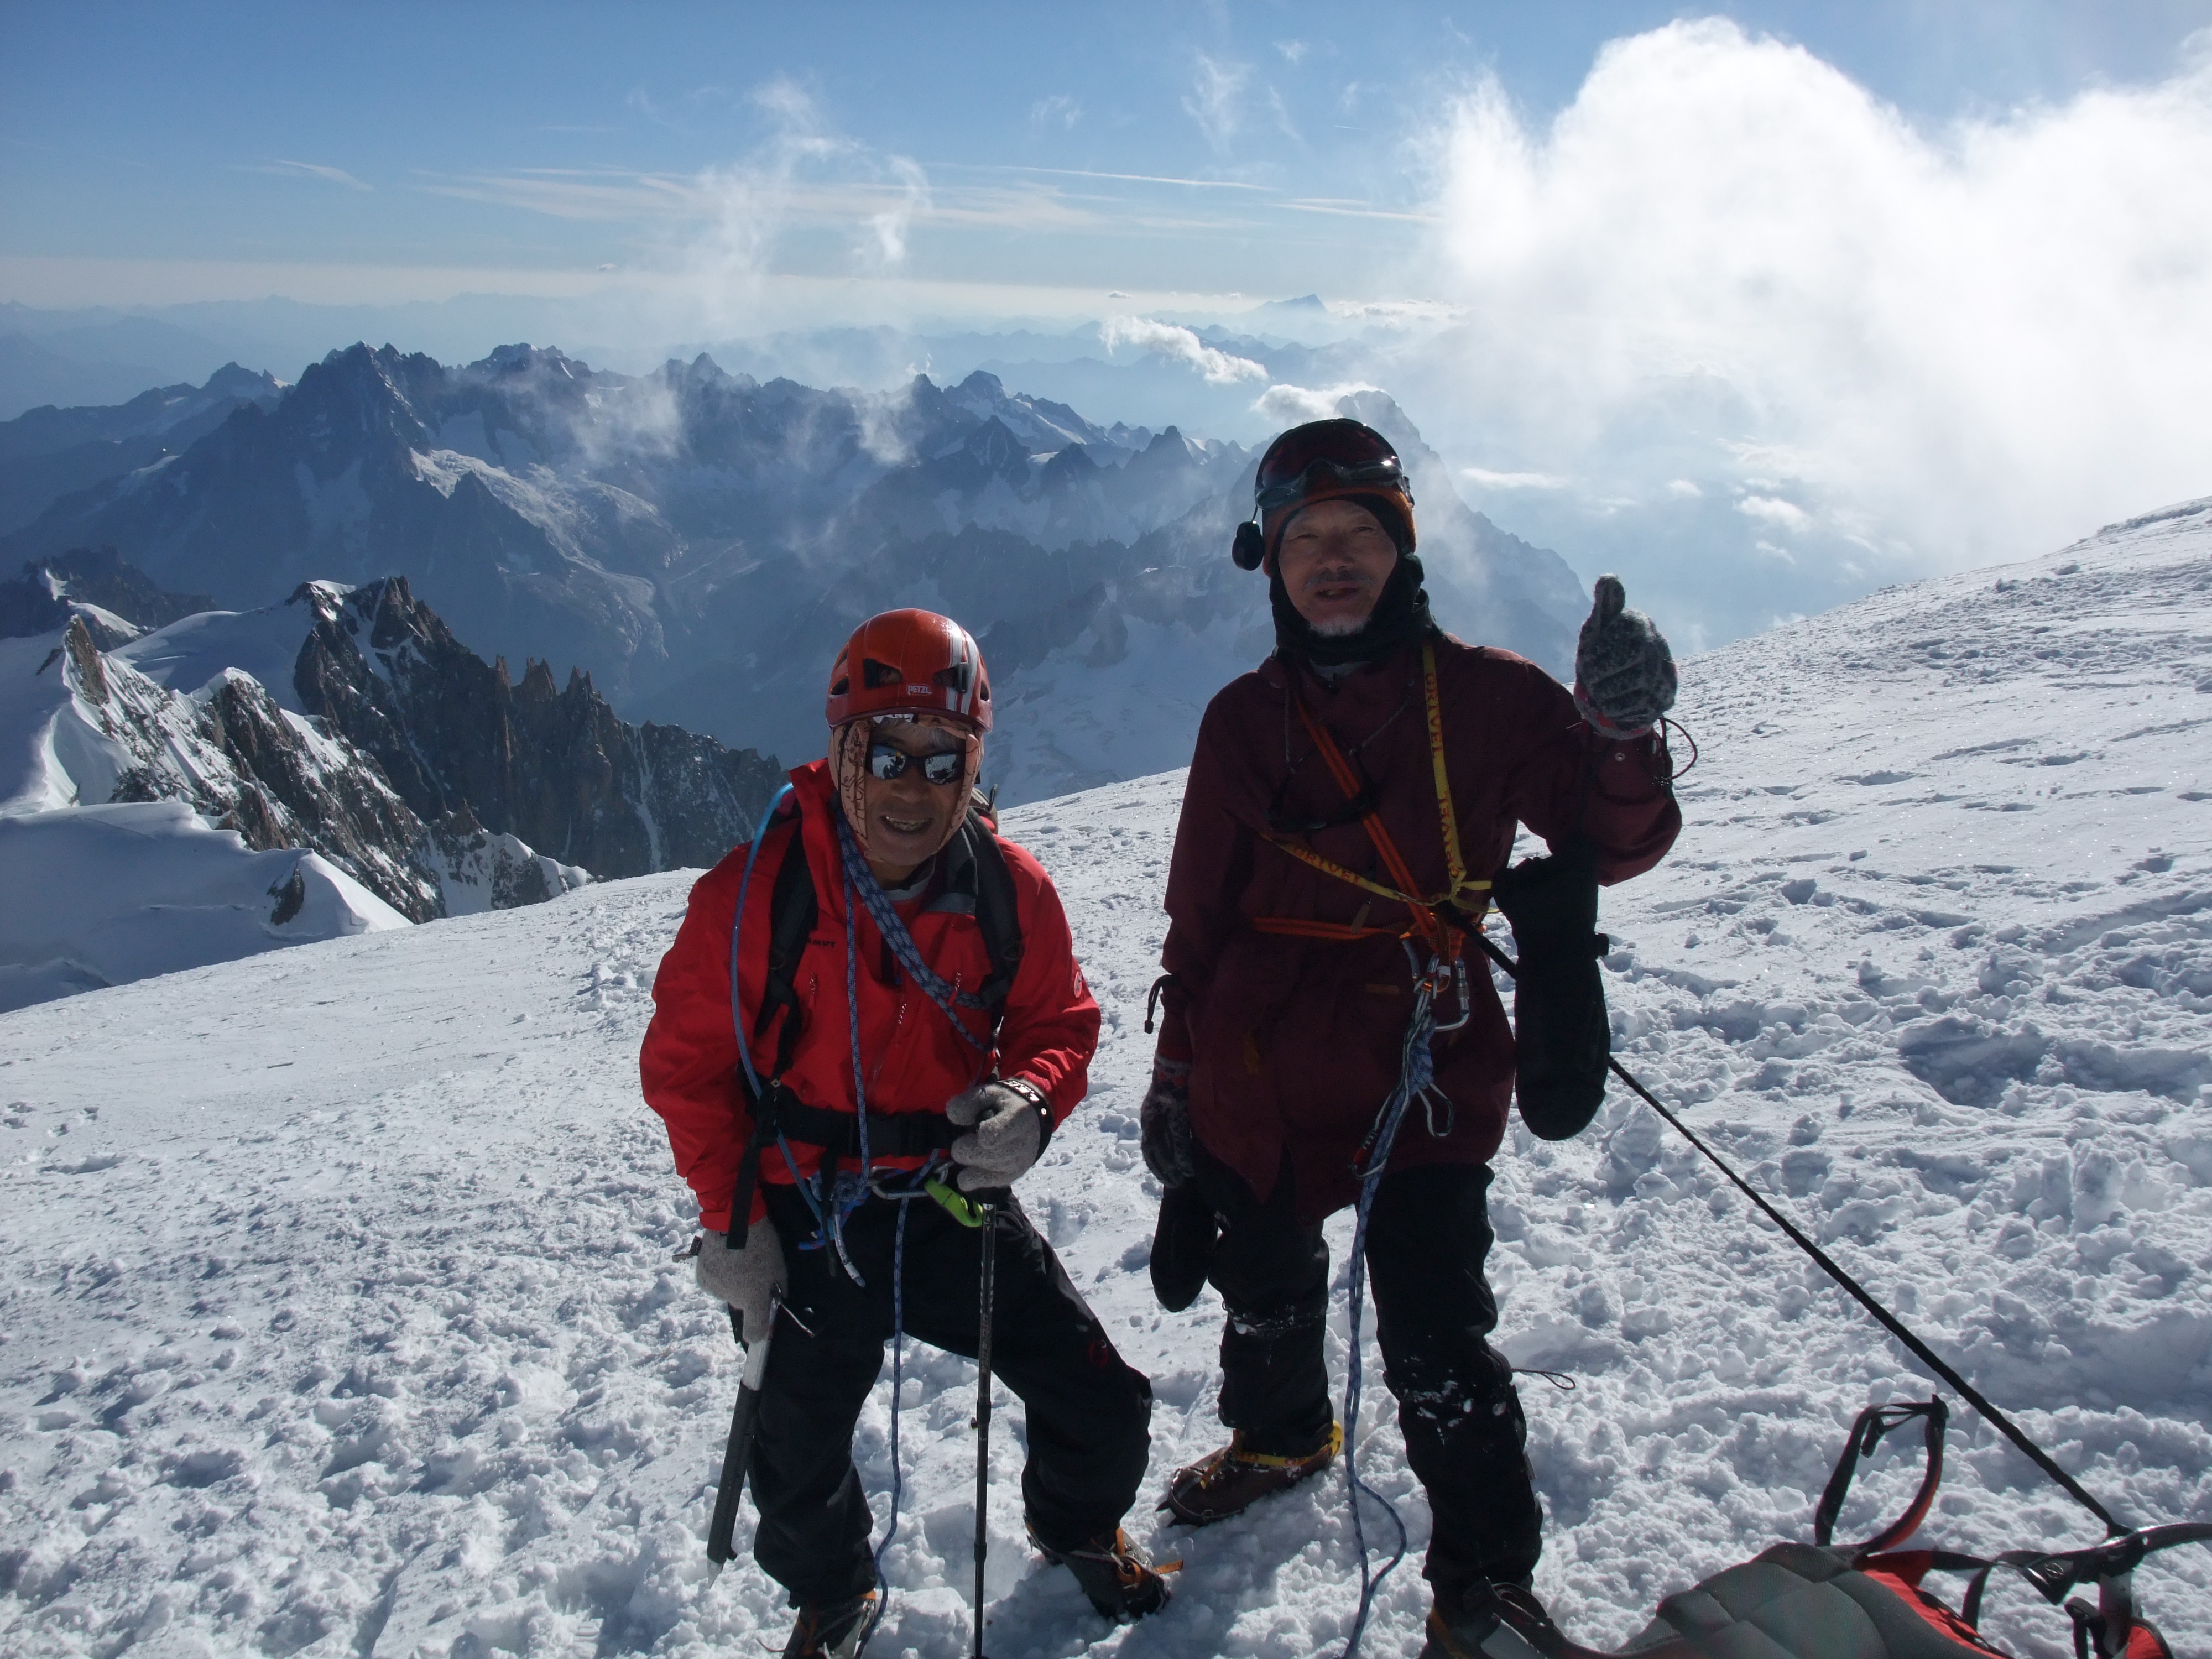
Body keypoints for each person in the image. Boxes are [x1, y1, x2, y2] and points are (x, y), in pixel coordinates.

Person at [1138, 420, 1683, 1658]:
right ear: (1271, 563)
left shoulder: (1489, 700)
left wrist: (1619, 735)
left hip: (1421, 1057)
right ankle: (1281, 1436)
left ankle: (1482, 1588)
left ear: (1402, 550)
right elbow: (1200, 914)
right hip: (1260, 1061)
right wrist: (1175, 1080)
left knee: (1437, 1329)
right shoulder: (1241, 723)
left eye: (1359, 536)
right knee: (1263, 1277)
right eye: (1306, 541)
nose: (1332, 562)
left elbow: (1614, 840)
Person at [641, 610, 1168, 1659]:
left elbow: (1059, 1022)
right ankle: (834, 1589)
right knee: (794, 1451)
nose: (912, 787)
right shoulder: (755, 898)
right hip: (804, 1205)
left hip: (942, 1196)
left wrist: (1031, 1102)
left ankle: (1075, 1522)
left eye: (943, 760)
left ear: (974, 767)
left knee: (1097, 1395)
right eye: (887, 754)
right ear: (844, 752)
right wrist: (732, 1224)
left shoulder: (1010, 893)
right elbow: (689, 1069)